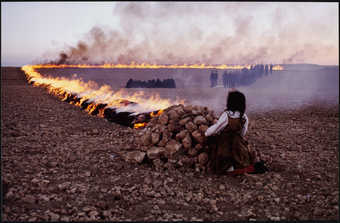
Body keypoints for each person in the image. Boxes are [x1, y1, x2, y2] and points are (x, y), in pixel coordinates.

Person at [205, 90, 259, 174]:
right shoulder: (244, 116)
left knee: (219, 151)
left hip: (225, 143)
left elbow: (216, 128)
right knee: (242, 155)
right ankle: (241, 166)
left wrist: (206, 133)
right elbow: (243, 133)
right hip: (239, 144)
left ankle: (229, 168)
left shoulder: (226, 115)